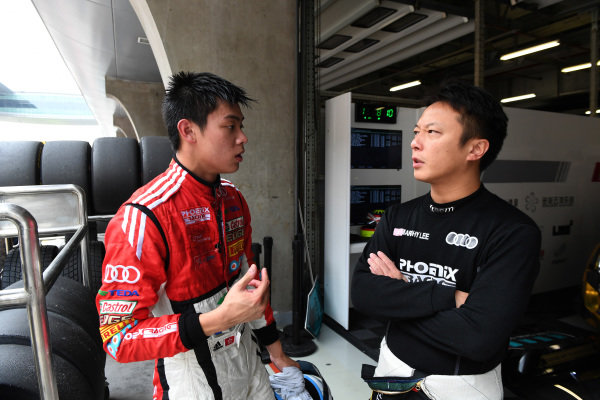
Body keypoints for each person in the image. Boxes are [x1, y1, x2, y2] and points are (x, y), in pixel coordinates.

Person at [96, 71, 297, 400]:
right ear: (188, 130)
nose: (243, 137)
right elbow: (118, 337)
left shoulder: (233, 200)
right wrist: (217, 319)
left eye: (241, 126)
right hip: (190, 382)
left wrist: (275, 352)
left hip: (249, 369)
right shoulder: (144, 216)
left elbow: (251, 289)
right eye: (230, 126)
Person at [350, 80, 541, 399]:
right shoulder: (398, 216)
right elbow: (363, 293)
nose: (415, 143)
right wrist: (449, 297)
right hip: (391, 369)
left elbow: (478, 338)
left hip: (461, 386)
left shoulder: (513, 232)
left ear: (476, 149)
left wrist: (398, 296)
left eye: (432, 132)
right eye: (416, 132)